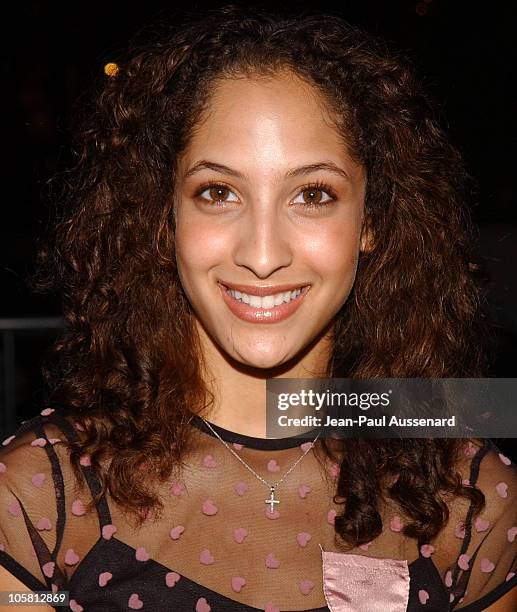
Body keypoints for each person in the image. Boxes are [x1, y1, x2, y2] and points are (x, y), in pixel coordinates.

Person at [1, 4, 516, 611]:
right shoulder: (41, 500)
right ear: (163, 220)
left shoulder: (469, 499)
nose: (263, 254)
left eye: (313, 194)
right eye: (218, 193)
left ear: (372, 221)